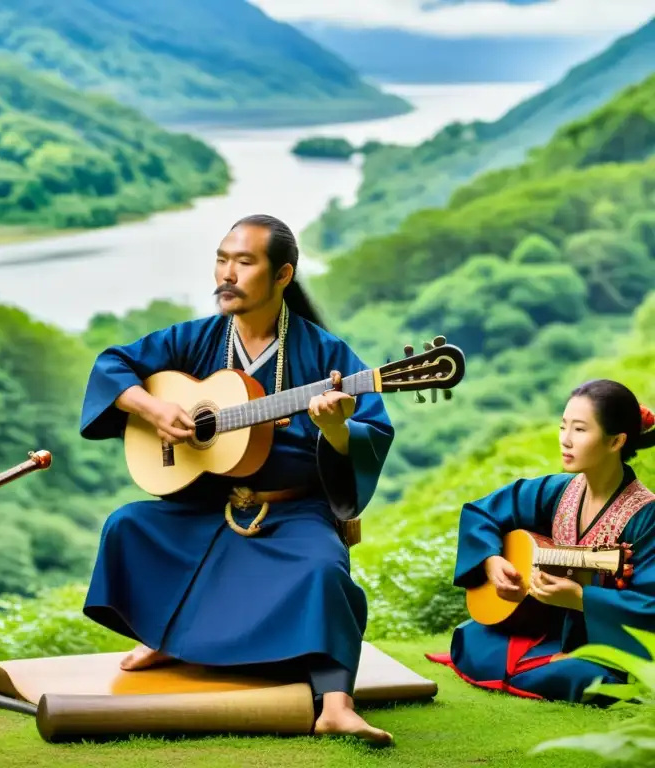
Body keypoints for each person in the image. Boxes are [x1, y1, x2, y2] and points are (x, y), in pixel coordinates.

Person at [78, 214, 396, 745]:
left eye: (244, 262)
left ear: (282, 275)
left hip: (290, 511)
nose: (227, 273)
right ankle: (163, 637)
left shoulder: (328, 357)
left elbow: (371, 431)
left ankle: (337, 704)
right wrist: (153, 408)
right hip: (203, 506)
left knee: (323, 569)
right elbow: (112, 365)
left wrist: (336, 431)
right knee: (128, 526)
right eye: (222, 259)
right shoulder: (195, 339)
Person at [428, 379, 655, 703]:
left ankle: (549, 668)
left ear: (616, 440)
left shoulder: (647, 516)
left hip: (605, 642)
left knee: (592, 676)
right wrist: (492, 562)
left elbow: (650, 606)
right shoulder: (557, 491)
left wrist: (580, 598)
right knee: (471, 637)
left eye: (580, 430)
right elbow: (482, 514)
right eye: (563, 427)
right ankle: (539, 666)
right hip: (543, 627)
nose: (565, 440)